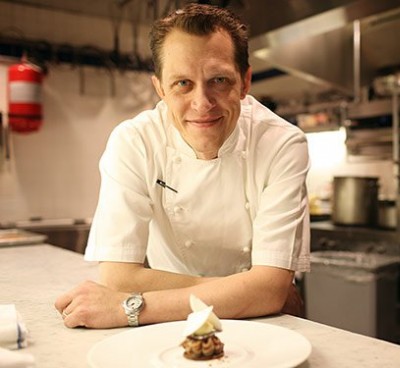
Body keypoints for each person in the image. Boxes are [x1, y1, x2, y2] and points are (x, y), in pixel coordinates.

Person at [54, 3, 310, 329]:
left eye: (219, 80)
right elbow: (118, 277)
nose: (202, 104)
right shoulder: (135, 142)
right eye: (182, 84)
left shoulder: (282, 145)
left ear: (245, 82)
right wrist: (252, 289)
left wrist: (131, 306)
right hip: (172, 323)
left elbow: (268, 292)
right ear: (160, 89)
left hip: (265, 324)